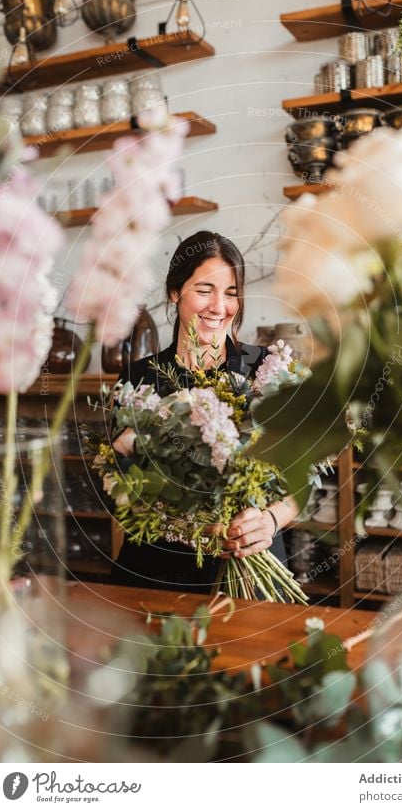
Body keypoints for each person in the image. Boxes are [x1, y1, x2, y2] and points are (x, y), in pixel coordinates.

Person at [110, 230, 299, 593]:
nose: (219, 307)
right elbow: (120, 486)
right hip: (157, 574)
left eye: (231, 294)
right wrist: (191, 524)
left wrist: (271, 520)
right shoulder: (139, 379)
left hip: (251, 572)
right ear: (174, 292)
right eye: (204, 290)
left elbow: (301, 474)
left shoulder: (266, 370)